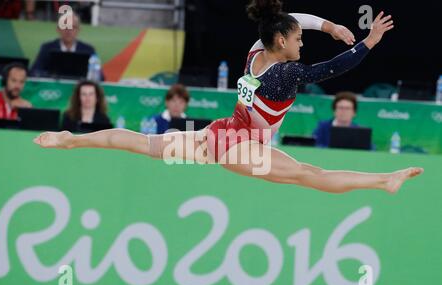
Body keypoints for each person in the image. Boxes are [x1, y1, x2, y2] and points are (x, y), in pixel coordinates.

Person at [33, 0, 423, 194]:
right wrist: (367, 42)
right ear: (282, 42)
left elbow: (292, 22)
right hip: (240, 147)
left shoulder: (257, 52)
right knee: (310, 175)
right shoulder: (284, 76)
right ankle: (384, 180)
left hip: (221, 134)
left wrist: (330, 26)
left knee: (142, 143)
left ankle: (72, 140)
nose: (303, 42)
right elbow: (333, 69)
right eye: (299, 39)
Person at [30, 13, 103, 79]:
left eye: (73, 27)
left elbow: (100, 77)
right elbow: (34, 72)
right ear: (58, 29)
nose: (69, 30)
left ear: (78, 30)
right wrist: (50, 75)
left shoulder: (88, 50)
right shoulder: (47, 48)